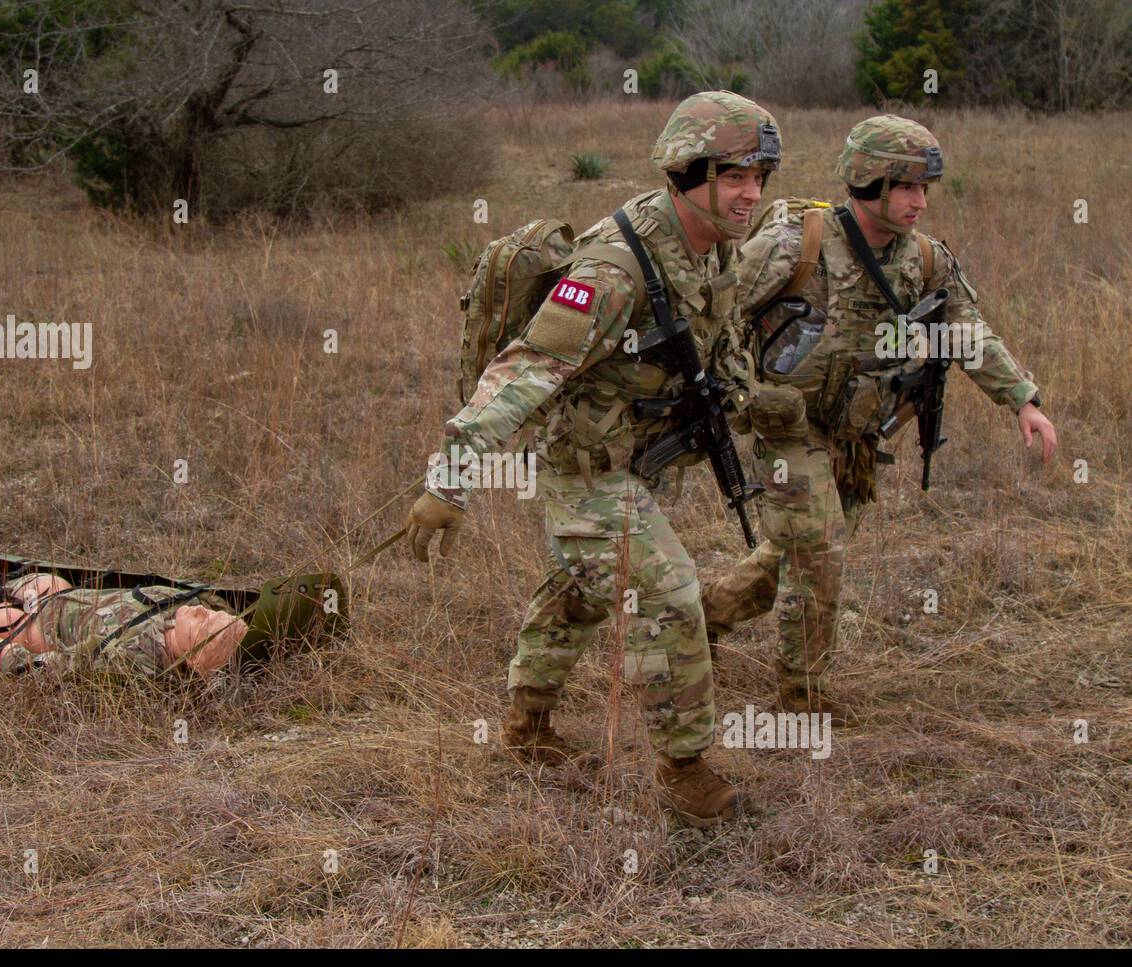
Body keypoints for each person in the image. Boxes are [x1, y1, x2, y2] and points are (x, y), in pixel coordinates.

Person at [405, 91, 783, 827]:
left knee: (580, 591)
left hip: (638, 459)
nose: (752, 194)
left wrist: (750, 400)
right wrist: (449, 478)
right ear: (689, 174)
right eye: (737, 177)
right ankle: (685, 768)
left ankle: (526, 725)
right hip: (586, 468)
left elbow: (722, 340)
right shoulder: (615, 269)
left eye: (760, 178)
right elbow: (526, 369)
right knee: (670, 596)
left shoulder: (716, 249)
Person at [701, 115, 1058, 722]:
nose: (920, 202)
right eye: (907, 187)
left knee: (796, 551)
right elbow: (717, 314)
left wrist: (1022, 398)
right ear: (868, 183)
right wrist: (742, 397)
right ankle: (800, 700)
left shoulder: (923, 258)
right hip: (788, 430)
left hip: (858, 435)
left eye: (925, 189)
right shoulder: (795, 244)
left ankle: (703, 612)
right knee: (820, 554)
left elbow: (965, 328)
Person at [0, 572, 248, 678]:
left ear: (192, 659)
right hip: (62, 596)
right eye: (208, 612)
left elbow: (33, 669)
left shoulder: (128, 660)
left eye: (203, 623)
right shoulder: (187, 610)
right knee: (48, 583)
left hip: (38, 627)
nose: (199, 611)